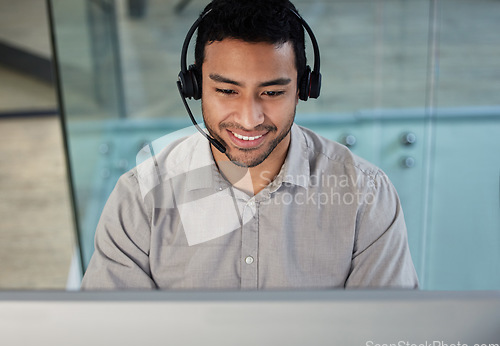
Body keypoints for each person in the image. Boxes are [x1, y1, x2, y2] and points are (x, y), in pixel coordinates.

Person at [81, 0, 419, 289]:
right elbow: (107, 336)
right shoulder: (141, 197)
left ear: (304, 88)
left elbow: (388, 334)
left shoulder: (366, 196)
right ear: (194, 85)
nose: (249, 119)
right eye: (227, 91)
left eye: (272, 93)